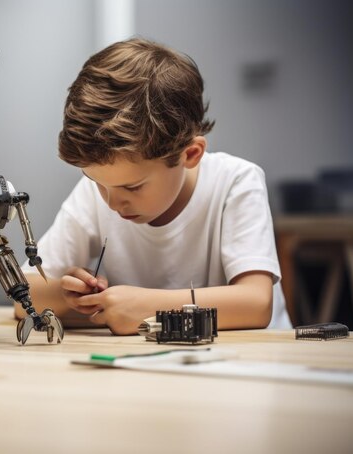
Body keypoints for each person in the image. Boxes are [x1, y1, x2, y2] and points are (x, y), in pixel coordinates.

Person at [15, 37, 292, 334]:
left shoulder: (236, 182)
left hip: (252, 365)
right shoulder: (100, 191)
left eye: (133, 188)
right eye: (97, 183)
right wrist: (69, 295)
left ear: (190, 154)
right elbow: (22, 296)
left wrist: (149, 309)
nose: (112, 202)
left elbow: (256, 303)